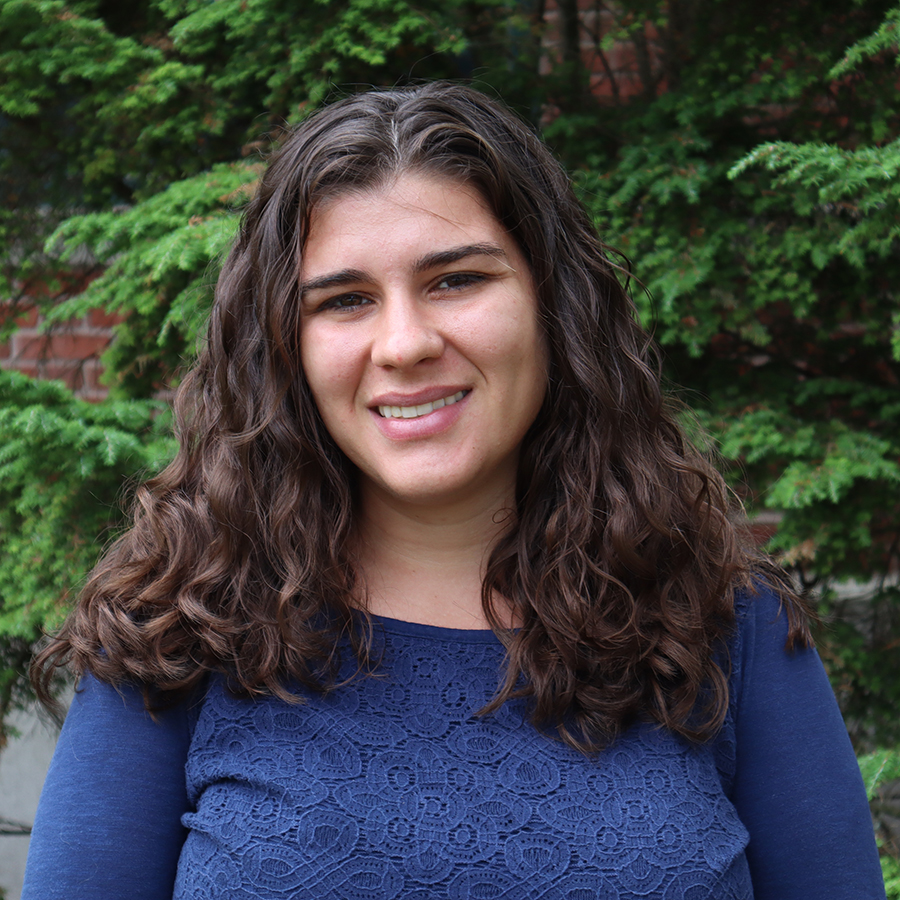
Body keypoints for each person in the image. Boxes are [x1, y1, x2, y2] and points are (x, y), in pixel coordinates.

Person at [23, 82, 884, 900]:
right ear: (283, 347)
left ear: (554, 306)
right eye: (345, 300)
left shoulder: (725, 628)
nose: (403, 344)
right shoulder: (175, 638)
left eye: (456, 280)